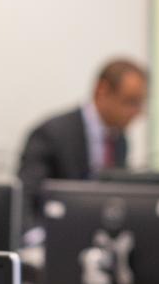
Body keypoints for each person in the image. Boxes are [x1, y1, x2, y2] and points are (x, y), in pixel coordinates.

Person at [17, 58, 147, 220]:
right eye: (130, 102)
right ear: (102, 90)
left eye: (140, 103)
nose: (138, 113)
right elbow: (24, 200)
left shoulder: (120, 141)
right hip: (55, 229)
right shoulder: (51, 134)